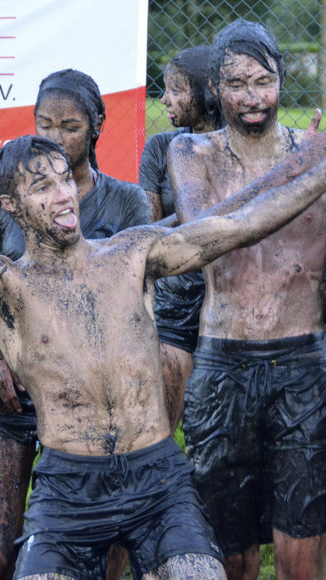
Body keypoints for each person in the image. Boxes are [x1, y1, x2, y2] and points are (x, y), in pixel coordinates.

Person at [0, 79, 326, 580]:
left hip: (156, 478)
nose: (63, 196)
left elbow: (240, 225)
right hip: (68, 488)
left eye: (64, 180)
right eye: (42, 188)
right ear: (10, 206)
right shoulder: (4, 286)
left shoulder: (132, 254)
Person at [169, 20, 326, 580]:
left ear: (282, 81)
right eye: (236, 83)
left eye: (263, 82)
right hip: (222, 365)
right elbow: (205, 233)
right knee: (231, 565)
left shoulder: (321, 153)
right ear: (215, 87)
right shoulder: (191, 151)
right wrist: (304, 170)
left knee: (302, 566)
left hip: (302, 367)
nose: (252, 97)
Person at [0, 68, 150, 580]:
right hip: (6, 391)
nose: (54, 138)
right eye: (44, 124)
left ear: (98, 126)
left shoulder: (126, 204)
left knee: (89, 566)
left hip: (91, 405)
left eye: (70, 126)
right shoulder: (2, 192)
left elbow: (142, 307)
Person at [139, 45, 223, 431]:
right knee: (159, 424)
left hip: (223, 285)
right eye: (164, 89)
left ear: (207, 91)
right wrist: (197, 215)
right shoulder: (161, 147)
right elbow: (150, 229)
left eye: (175, 89)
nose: (165, 99)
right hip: (174, 294)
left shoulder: (236, 146)